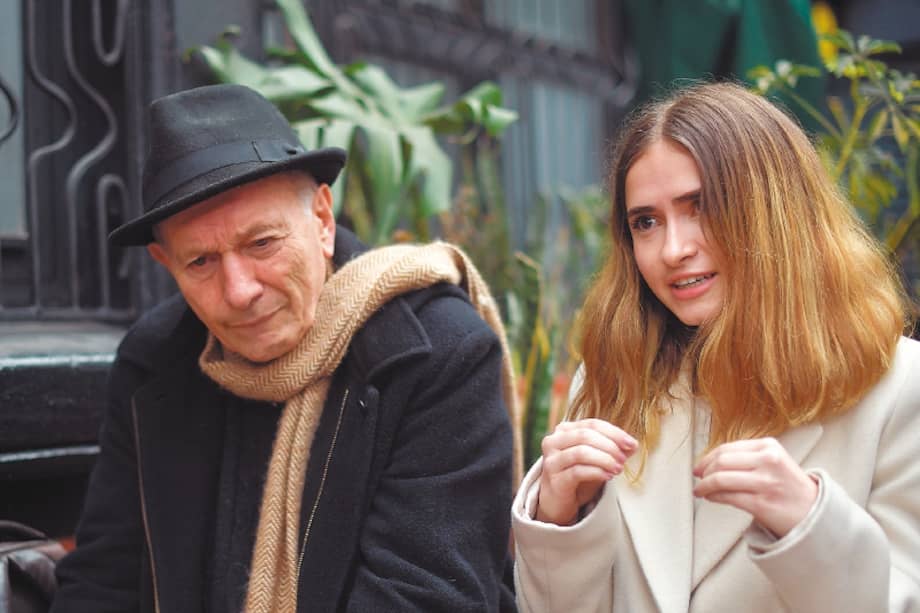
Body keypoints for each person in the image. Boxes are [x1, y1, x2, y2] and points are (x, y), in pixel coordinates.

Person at [51, 83, 521, 613]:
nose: (239, 291)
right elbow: (103, 579)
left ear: (322, 220)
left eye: (262, 244)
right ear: (166, 263)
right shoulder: (154, 361)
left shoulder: (436, 351)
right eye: (200, 262)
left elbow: (424, 597)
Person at [512, 81, 920, 612]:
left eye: (701, 207)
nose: (673, 250)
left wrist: (809, 523)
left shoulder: (900, 389)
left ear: (775, 212)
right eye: (646, 222)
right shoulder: (613, 377)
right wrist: (558, 520)